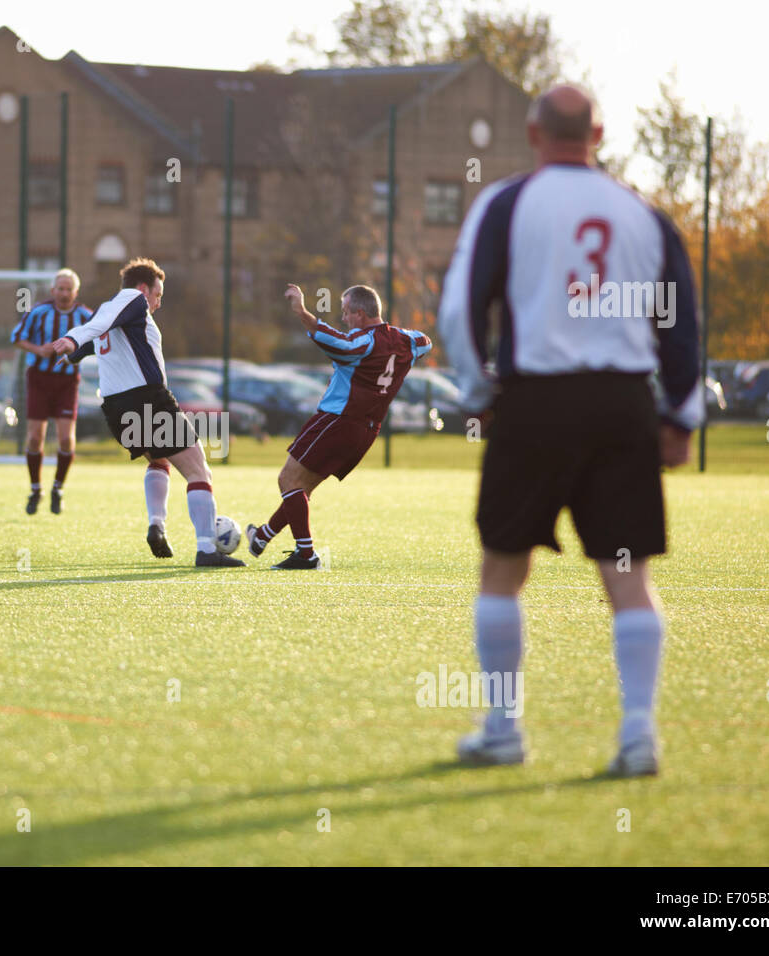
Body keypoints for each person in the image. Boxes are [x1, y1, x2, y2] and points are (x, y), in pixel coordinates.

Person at [436, 85, 701, 777]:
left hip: (536, 405)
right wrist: (680, 415)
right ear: (600, 133)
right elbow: (679, 323)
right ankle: (638, 736)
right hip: (621, 407)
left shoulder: (506, 202)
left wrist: (476, 393)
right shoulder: (644, 215)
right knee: (627, 574)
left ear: (532, 131)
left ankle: (502, 730)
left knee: (503, 568)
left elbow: (462, 309)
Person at [48, 258, 243, 568]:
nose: (157, 303)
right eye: (157, 294)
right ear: (142, 289)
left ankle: (157, 523)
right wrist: (73, 340)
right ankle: (206, 549)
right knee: (199, 470)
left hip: (116, 408)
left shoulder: (108, 311)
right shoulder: (132, 299)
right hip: (147, 401)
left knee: (159, 458)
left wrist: (74, 348)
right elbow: (90, 331)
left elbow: (93, 335)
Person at [245, 285, 431, 569]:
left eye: (346, 312)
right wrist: (392, 337)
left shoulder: (364, 344)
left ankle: (306, 555)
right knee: (302, 488)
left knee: (288, 481)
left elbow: (341, 344)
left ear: (360, 313)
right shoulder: (408, 340)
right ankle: (262, 536)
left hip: (338, 420)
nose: (344, 318)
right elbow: (425, 341)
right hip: (367, 431)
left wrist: (302, 312)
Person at [10, 269, 92, 514]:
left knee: (66, 438)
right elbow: (17, 337)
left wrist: (78, 353)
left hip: (67, 382)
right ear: (53, 290)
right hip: (39, 379)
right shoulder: (38, 312)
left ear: (76, 292)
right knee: (35, 437)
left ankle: (58, 488)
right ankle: (36, 489)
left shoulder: (86, 315)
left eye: (69, 289)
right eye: (61, 289)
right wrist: (38, 350)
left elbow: (98, 342)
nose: (65, 293)